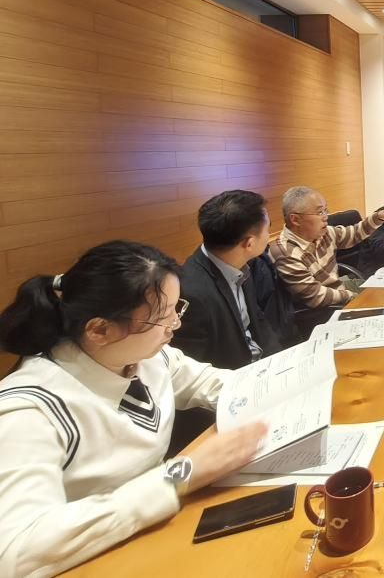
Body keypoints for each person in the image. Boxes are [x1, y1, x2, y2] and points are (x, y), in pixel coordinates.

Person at [0, 241, 267, 578]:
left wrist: (287, 382)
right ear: (99, 329)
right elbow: (16, 551)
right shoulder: (29, 409)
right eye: (162, 318)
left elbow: (211, 382)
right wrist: (179, 476)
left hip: (156, 533)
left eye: (176, 309)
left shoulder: (146, 356)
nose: (175, 325)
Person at [174, 190, 284, 370]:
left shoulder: (241, 263)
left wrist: (280, 361)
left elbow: (258, 321)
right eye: (268, 228)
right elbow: (194, 368)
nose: (269, 234)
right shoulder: (191, 293)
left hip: (266, 365)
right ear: (249, 243)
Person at [268, 186, 384, 309]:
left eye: (325, 210)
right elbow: (315, 296)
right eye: (320, 212)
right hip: (323, 309)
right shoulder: (285, 252)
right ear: (295, 219)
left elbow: (354, 234)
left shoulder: (324, 233)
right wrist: (353, 296)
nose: (326, 217)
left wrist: (379, 217)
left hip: (340, 288)